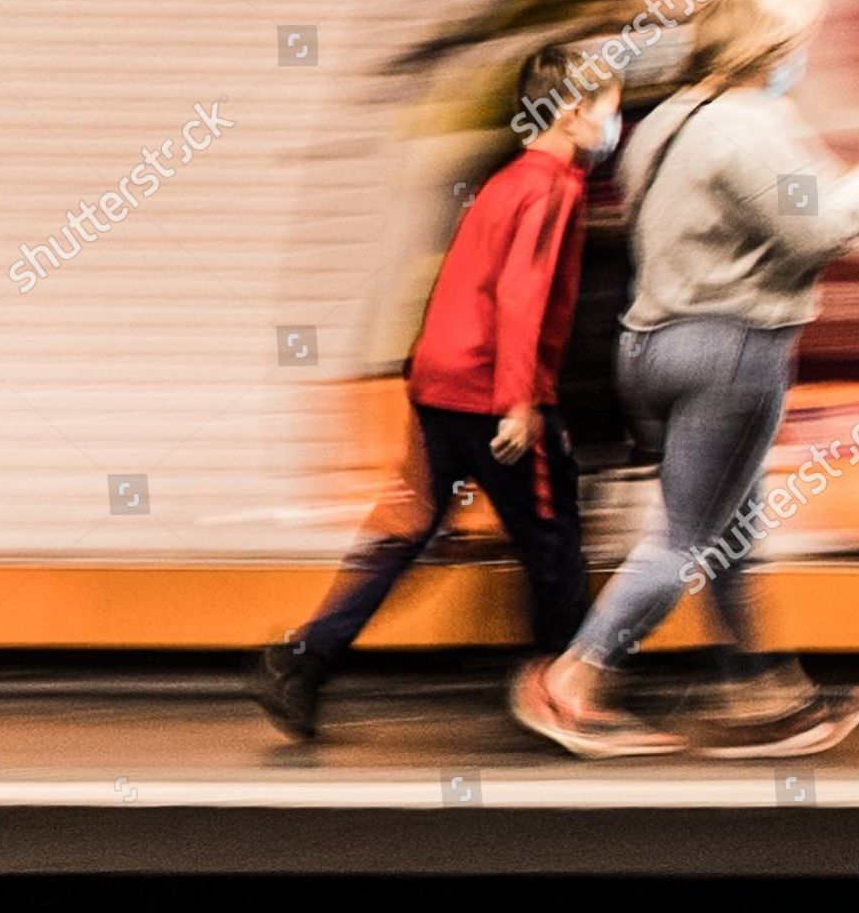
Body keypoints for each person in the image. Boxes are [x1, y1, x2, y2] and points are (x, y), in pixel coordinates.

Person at [511, 0, 859, 759]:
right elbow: (817, 231)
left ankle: (758, 692)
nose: (802, 54)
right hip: (730, 352)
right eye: (798, 40)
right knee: (687, 539)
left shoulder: (665, 120)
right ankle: (572, 681)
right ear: (770, 45)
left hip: (650, 347)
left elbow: (732, 217)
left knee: (731, 526)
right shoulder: (753, 125)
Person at [250, 48, 624, 739]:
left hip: (439, 383)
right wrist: (520, 401)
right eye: (608, 109)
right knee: (553, 541)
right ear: (573, 111)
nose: (613, 124)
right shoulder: (553, 187)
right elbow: (520, 296)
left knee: (411, 531)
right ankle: (557, 688)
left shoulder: (506, 180)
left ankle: (303, 659)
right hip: (491, 392)